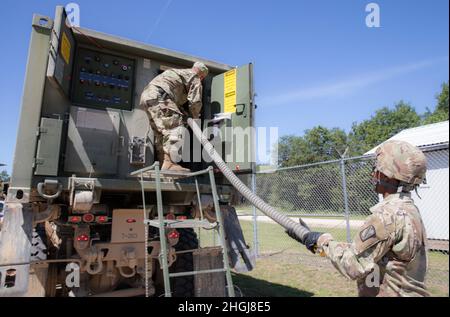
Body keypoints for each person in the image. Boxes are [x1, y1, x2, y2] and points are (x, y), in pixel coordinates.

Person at [287, 140, 430, 297]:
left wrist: (320, 240)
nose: (373, 173)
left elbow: (352, 265)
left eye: (376, 169)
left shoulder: (387, 215)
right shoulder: (408, 210)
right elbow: (371, 252)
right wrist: (317, 244)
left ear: (389, 177)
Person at [140, 62, 209, 172]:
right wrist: (195, 118)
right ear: (201, 75)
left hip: (147, 97)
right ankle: (169, 163)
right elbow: (195, 101)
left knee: (161, 133)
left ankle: (164, 163)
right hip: (161, 97)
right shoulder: (194, 77)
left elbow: (175, 100)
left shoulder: (179, 72)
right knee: (176, 127)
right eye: (202, 78)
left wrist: (184, 113)